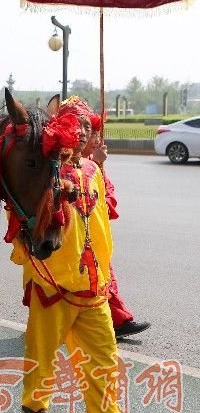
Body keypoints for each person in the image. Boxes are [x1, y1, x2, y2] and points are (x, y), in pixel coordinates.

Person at [11, 96, 142, 413]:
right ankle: (34, 407)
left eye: (88, 126)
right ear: (62, 129)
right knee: (43, 351)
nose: (83, 131)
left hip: (93, 283)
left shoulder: (93, 171)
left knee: (103, 351)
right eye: (76, 124)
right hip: (52, 281)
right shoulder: (48, 171)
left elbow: (103, 220)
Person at [82, 116, 150, 339]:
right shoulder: (69, 161)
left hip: (94, 233)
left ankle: (117, 321)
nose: (95, 139)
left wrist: (98, 165)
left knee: (104, 277)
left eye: (95, 133)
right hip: (75, 235)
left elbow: (106, 196)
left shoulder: (92, 161)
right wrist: (96, 165)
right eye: (90, 133)